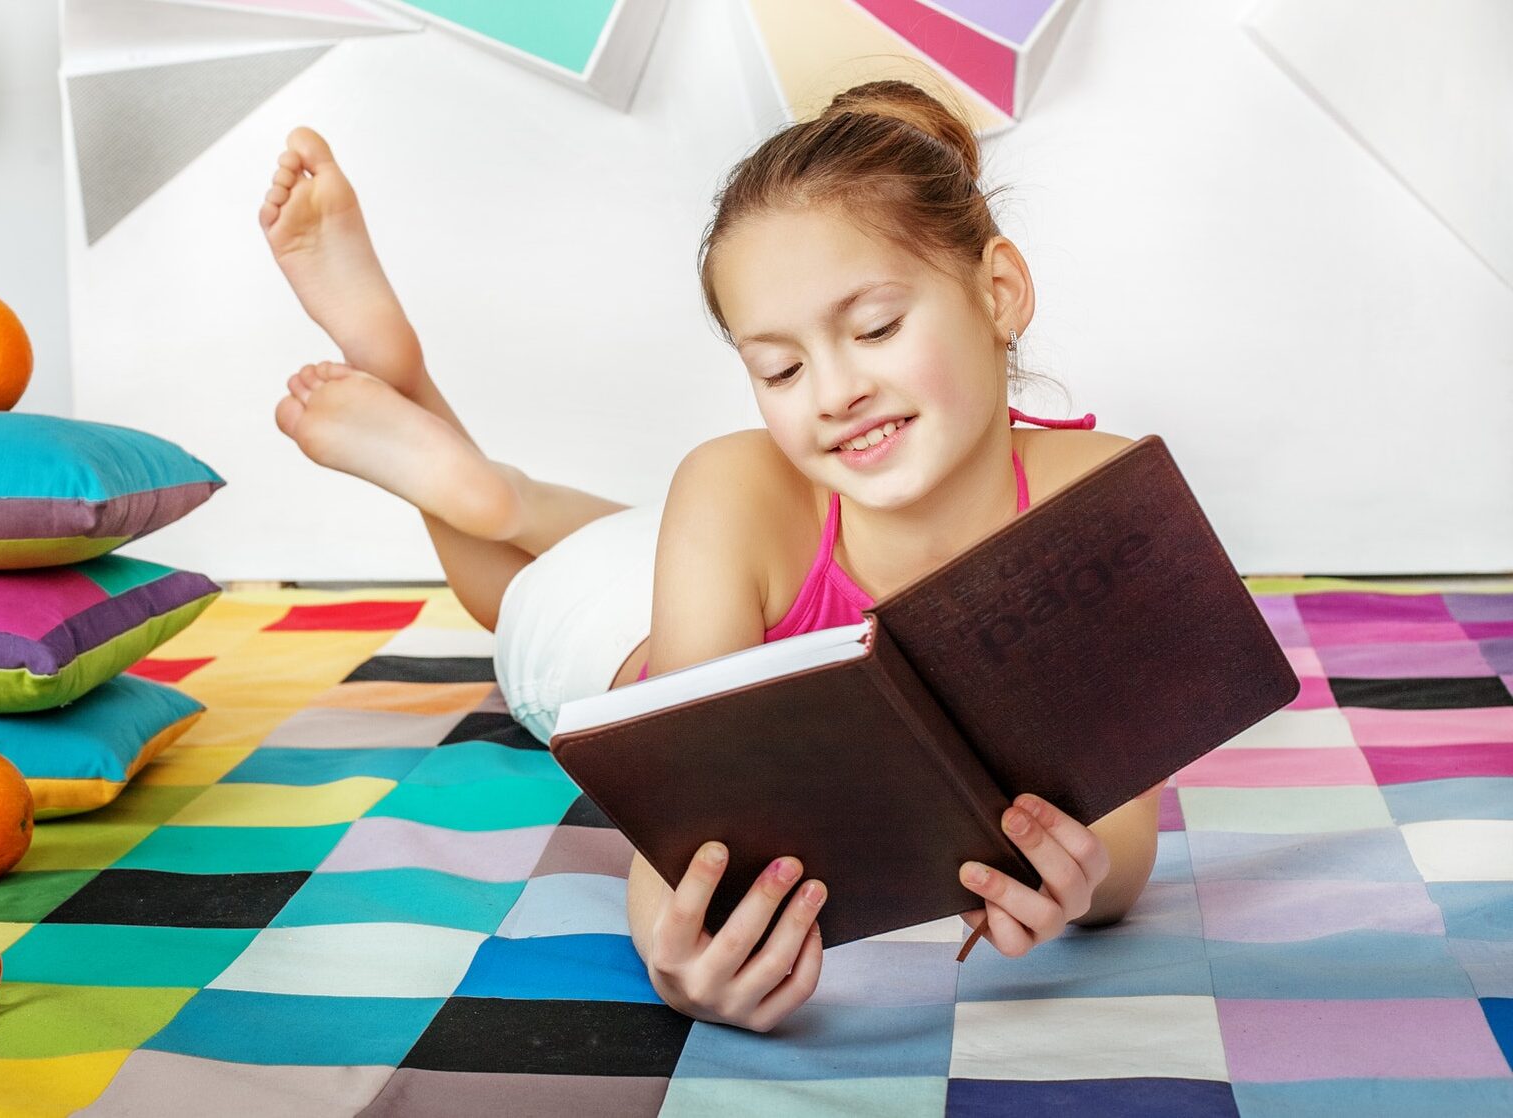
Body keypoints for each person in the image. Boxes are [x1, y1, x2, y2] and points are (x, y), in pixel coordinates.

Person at [256, 78, 1162, 1033]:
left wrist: (1081, 882)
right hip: (618, 632)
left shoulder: (1097, 495)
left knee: (642, 534)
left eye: (878, 328)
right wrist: (671, 955)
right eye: (780, 368)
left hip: (701, 550)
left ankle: (507, 491)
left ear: (998, 292)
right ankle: (427, 416)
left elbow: (1127, 834)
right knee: (513, 589)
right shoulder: (736, 481)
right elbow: (677, 812)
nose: (836, 391)